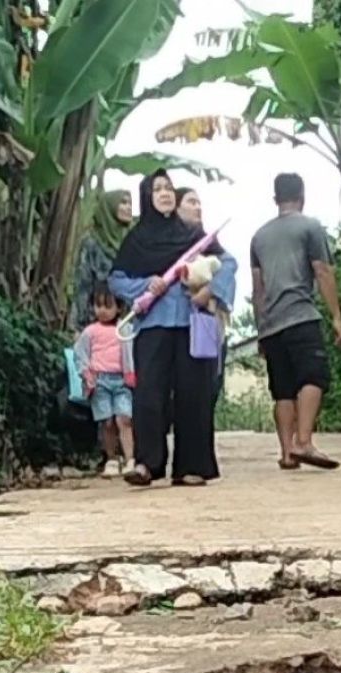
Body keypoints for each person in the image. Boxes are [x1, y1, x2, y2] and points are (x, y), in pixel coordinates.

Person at [109, 170, 223, 487]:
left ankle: (192, 465)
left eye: (168, 188)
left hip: (192, 320)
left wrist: (208, 292)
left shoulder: (193, 234)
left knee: (194, 392)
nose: (164, 194)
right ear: (147, 197)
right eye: (157, 189)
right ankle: (147, 463)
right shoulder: (137, 239)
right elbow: (116, 279)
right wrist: (147, 284)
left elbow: (225, 264)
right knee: (149, 395)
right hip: (153, 324)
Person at [250, 173, 341, 470]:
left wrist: (260, 329)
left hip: (271, 324)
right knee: (314, 376)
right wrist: (336, 317)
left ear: (275, 199)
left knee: (282, 387)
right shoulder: (310, 226)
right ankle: (303, 442)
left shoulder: (259, 236)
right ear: (302, 196)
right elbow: (322, 271)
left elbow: (258, 289)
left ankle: (286, 453)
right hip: (301, 316)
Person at [176, 187, 237, 409]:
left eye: (199, 202)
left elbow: (229, 264)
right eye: (191, 202)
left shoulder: (207, 241)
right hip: (175, 325)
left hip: (205, 323)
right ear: (176, 206)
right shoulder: (163, 241)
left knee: (208, 386)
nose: (198, 207)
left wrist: (210, 290)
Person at [73, 285, 136, 477]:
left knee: (124, 419)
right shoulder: (89, 332)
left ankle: (130, 458)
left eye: (107, 305)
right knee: (106, 422)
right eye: (97, 305)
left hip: (121, 380)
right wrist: (86, 374)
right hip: (99, 381)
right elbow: (80, 354)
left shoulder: (126, 329)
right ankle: (111, 459)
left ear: (118, 307)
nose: (102, 310)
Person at [70, 189, 132, 331]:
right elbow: (82, 285)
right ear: (109, 207)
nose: (128, 208)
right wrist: (80, 327)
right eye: (123, 203)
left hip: (126, 323)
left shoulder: (130, 242)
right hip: (96, 322)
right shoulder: (92, 242)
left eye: (130, 203)